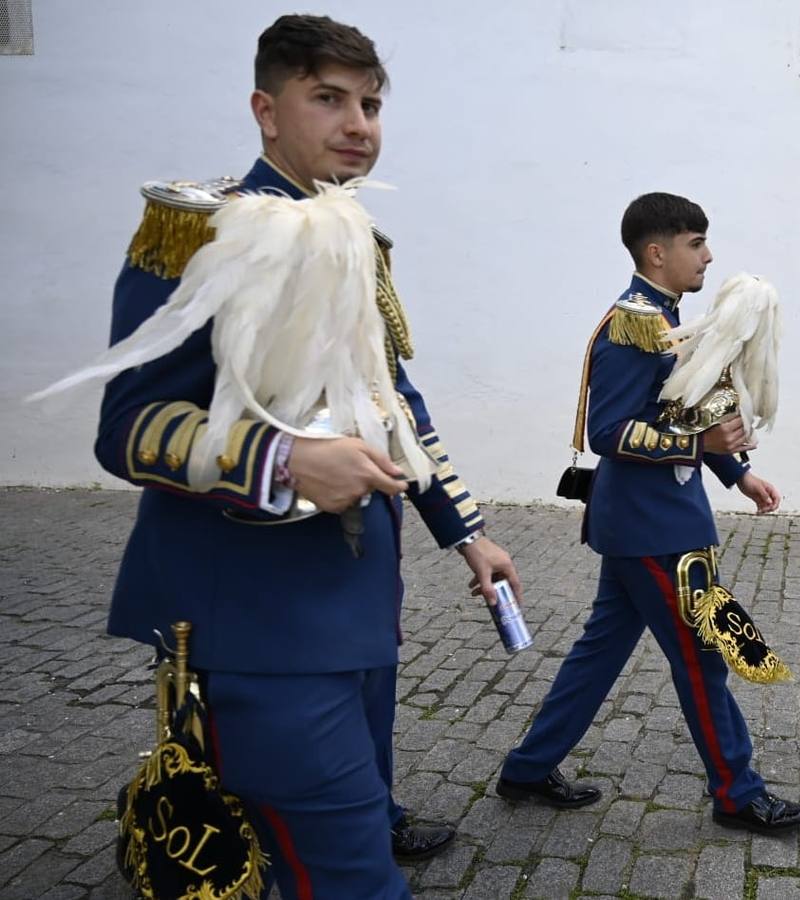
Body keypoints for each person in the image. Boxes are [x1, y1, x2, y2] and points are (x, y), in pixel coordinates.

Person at [94, 14, 519, 898]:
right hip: (257, 624)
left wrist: (464, 533)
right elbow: (128, 426)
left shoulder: (353, 234)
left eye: (369, 102)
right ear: (266, 108)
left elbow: (393, 402)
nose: (359, 122)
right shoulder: (196, 230)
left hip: (359, 611)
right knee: (349, 877)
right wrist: (284, 461)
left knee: (322, 842)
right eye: (327, 98)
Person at [494, 193, 800, 834]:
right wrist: (704, 449)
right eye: (697, 243)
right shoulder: (631, 325)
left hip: (648, 522)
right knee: (703, 656)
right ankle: (737, 792)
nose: (709, 255)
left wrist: (739, 472)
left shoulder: (666, 320)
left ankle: (528, 769)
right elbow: (610, 433)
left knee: (599, 653)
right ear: (657, 251)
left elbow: (684, 410)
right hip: (653, 529)